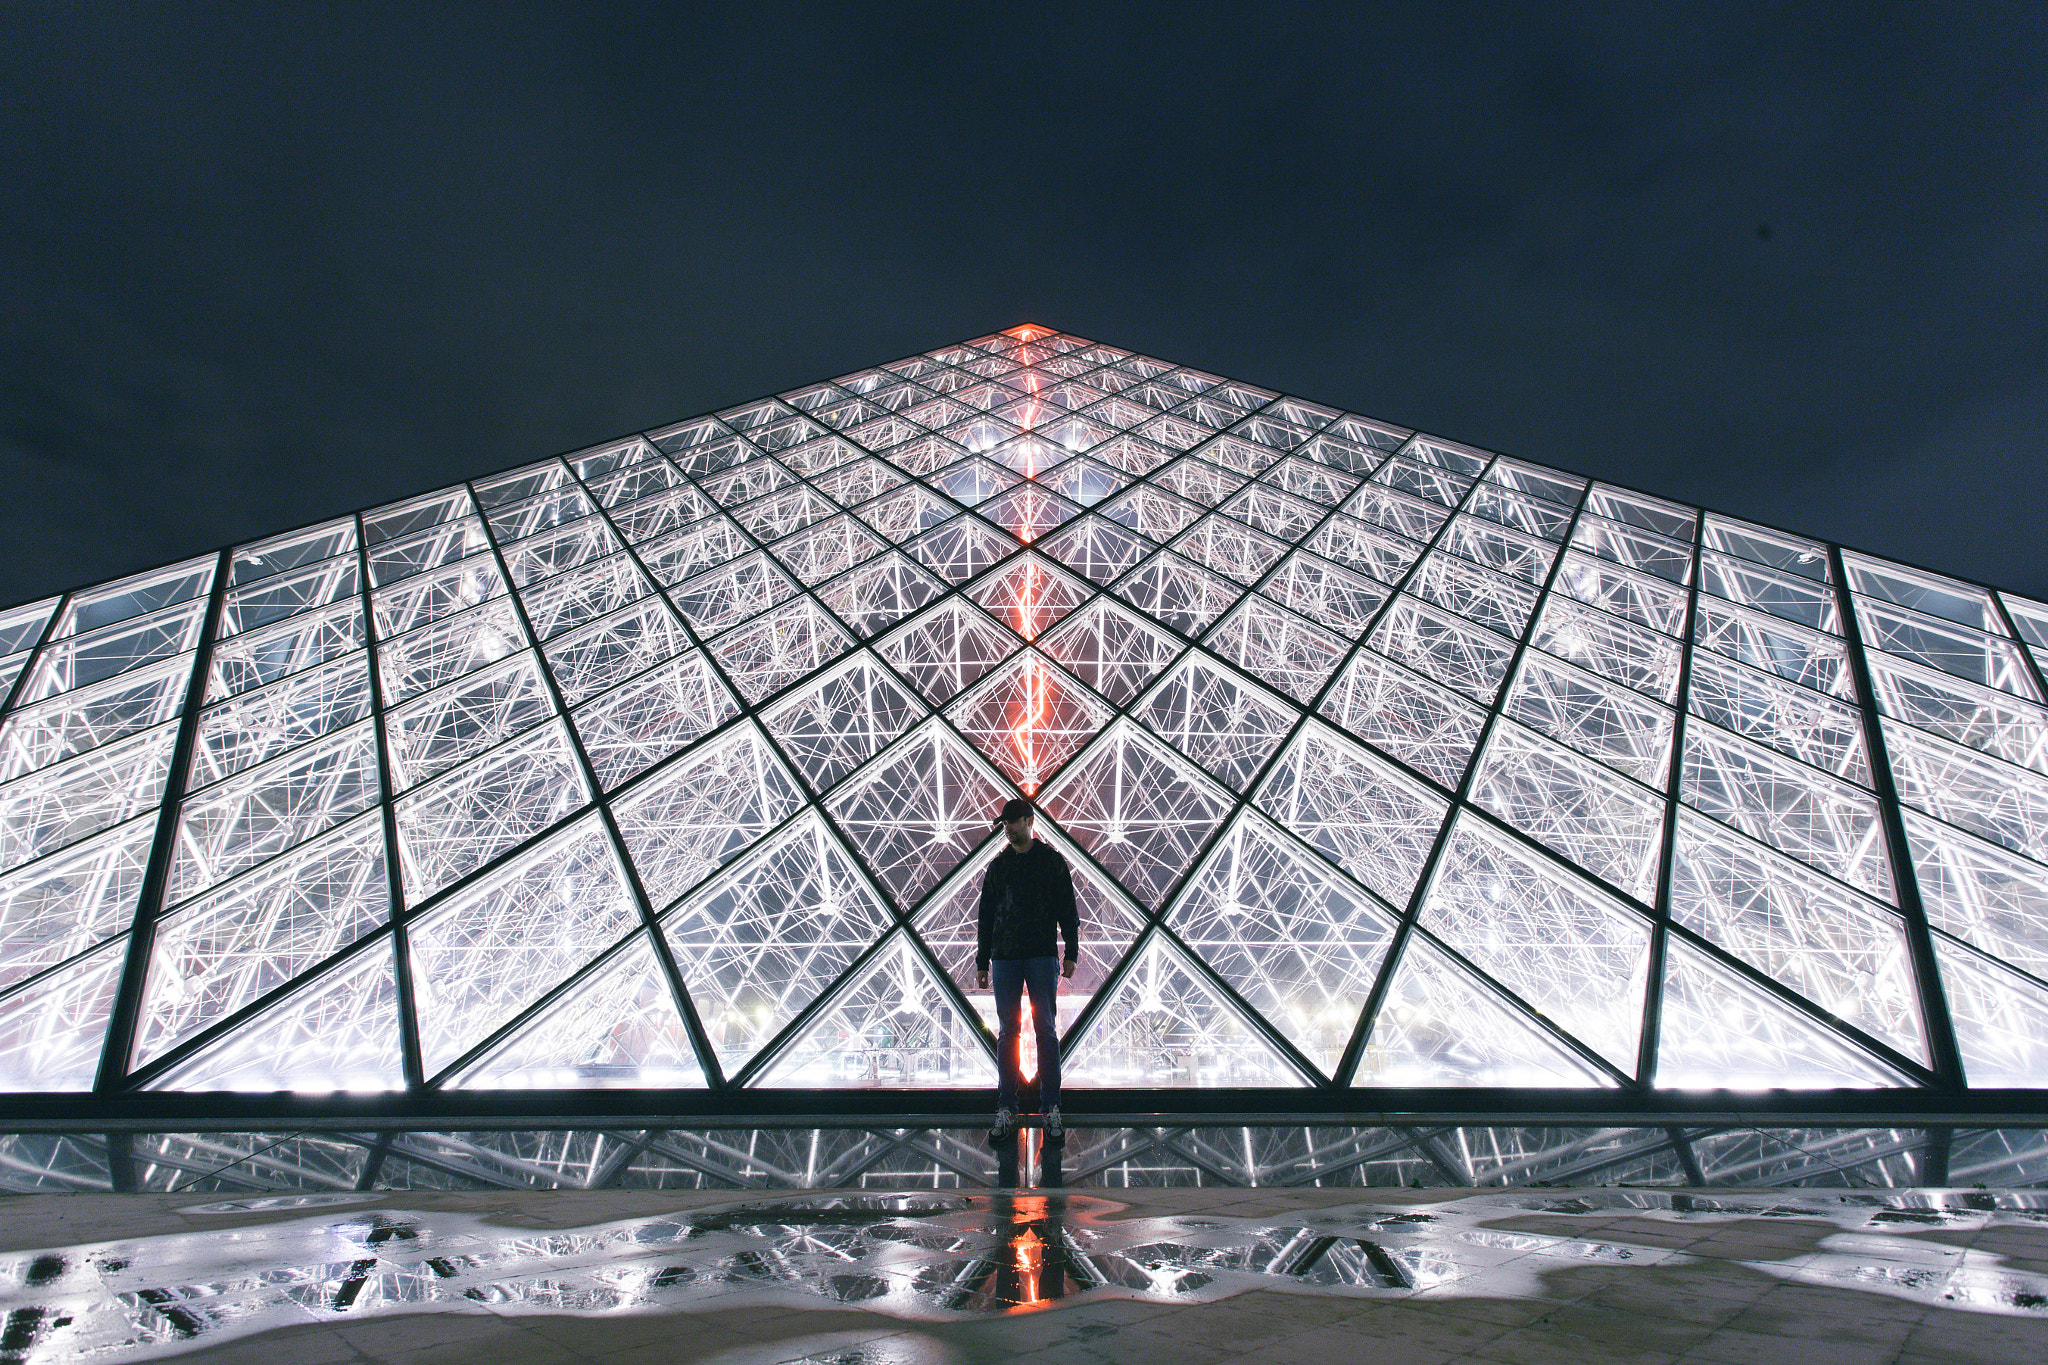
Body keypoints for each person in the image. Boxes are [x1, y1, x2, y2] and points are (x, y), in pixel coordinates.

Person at [976, 797, 1078, 1141]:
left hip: (1040, 955)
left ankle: (1051, 1108)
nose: (1006, 827)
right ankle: (1007, 1107)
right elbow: (985, 916)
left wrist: (1071, 952)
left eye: (1012, 822)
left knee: (1045, 1031)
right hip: (1005, 957)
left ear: (1029, 821)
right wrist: (981, 960)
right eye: (1004, 823)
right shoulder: (998, 866)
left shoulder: (1051, 861)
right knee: (1009, 1034)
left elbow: (1068, 909)